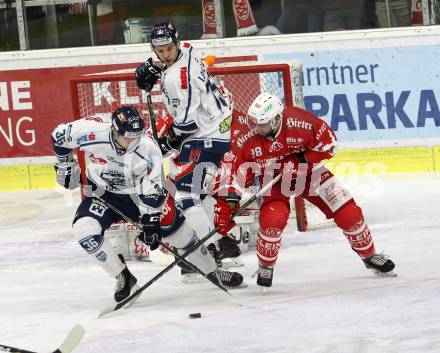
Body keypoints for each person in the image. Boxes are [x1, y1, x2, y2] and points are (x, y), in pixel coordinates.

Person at [51, 106, 244, 303]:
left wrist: (150, 222)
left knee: (181, 235)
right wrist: (65, 164)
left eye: (137, 136)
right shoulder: (90, 131)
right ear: (114, 131)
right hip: (102, 195)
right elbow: (59, 135)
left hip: (138, 195)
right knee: (84, 230)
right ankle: (123, 277)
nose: (133, 142)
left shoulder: (148, 148)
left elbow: (150, 192)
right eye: (128, 137)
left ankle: (212, 270)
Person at [213, 92, 396, 290]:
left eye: (262, 124)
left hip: (309, 172)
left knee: (348, 212)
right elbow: (237, 173)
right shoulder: (248, 138)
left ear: (276, 119)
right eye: (255, 123)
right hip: (271, 180)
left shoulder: (300, 122)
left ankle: (370, 256)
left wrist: (300, 159)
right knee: (273, 219)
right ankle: (266, 266)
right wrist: (227, 205)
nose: (257, 128)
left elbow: (329, 143)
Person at [134, 21, 242, 281]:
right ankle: (222, 243)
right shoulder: (189, 50)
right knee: (198, 194)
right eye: (159, 51)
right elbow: (169, 61)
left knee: (184, 195)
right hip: (216, 127)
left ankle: (212, 249)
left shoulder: (176, 80)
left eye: (168, 49)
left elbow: (185, 126)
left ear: (177, 43)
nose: (164, 55)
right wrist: (152, 66)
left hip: (205, 136)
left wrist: (166, 144)